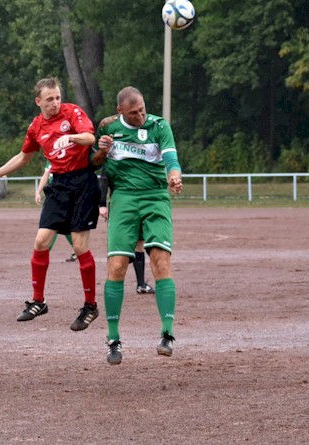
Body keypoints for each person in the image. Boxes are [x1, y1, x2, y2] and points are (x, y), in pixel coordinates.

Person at [0, 77, 100, 331]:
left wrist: (73, 139)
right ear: (38, 101)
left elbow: (89, 136)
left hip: (83, 183)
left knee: (78, 245)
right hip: (59, 185)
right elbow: (23, 157)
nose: (55, 103)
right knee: (41, 241)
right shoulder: (36, 126)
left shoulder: (72, 111)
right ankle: (38, 301)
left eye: (57, 97)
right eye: (49, 99)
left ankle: (90, 306)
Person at [92, 86, 182, 365]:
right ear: (120, 111)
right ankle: (113, 339)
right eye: (133, 112)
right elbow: (95, 165)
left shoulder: (159, 125)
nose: (140, 115)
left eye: (142, 108)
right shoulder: (110, 132)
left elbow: (171, 159)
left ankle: (167, 334)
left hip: (156, 198)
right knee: (117, 266)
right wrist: (102, 152)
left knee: (160, 262)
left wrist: (174, 177)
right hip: (124, 199)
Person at [98, 170, 155, 294]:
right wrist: (102, 203)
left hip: (140, 202)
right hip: (120, 205)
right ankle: (113, 284)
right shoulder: (114, 154)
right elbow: (104, 178)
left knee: (139, 243)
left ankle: (141, 285)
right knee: (118, 245)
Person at [36, 162, 77, 262]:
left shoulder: (66, 155)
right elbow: (46, 175)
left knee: (53, 225)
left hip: (66, 194)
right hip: (53, 195)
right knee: (59, 225)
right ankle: (77, 249)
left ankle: (45, 249)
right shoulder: (50, 157)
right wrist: (38, 192)